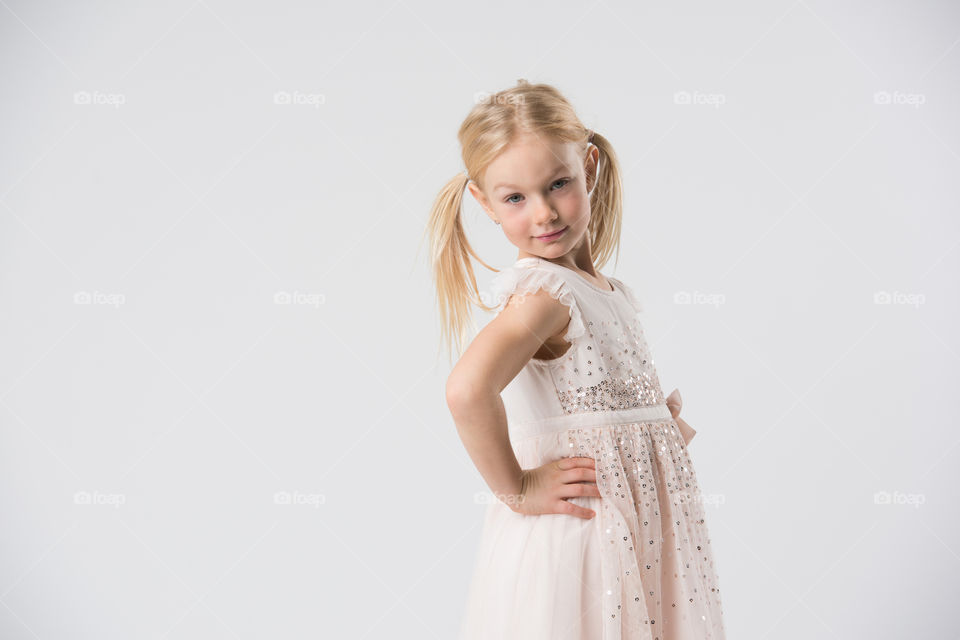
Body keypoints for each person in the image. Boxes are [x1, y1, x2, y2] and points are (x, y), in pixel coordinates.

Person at [425, 79, 727, 639]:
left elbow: (590, 403)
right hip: (585, 532)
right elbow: (467, 390)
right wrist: (516, 488)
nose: (543, 213)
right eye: (515, 197)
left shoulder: (599, 289)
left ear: (588, 165)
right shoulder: (544, 295)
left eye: (558, 184)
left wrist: (650, 425)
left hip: (631, 525)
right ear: (484, 203)